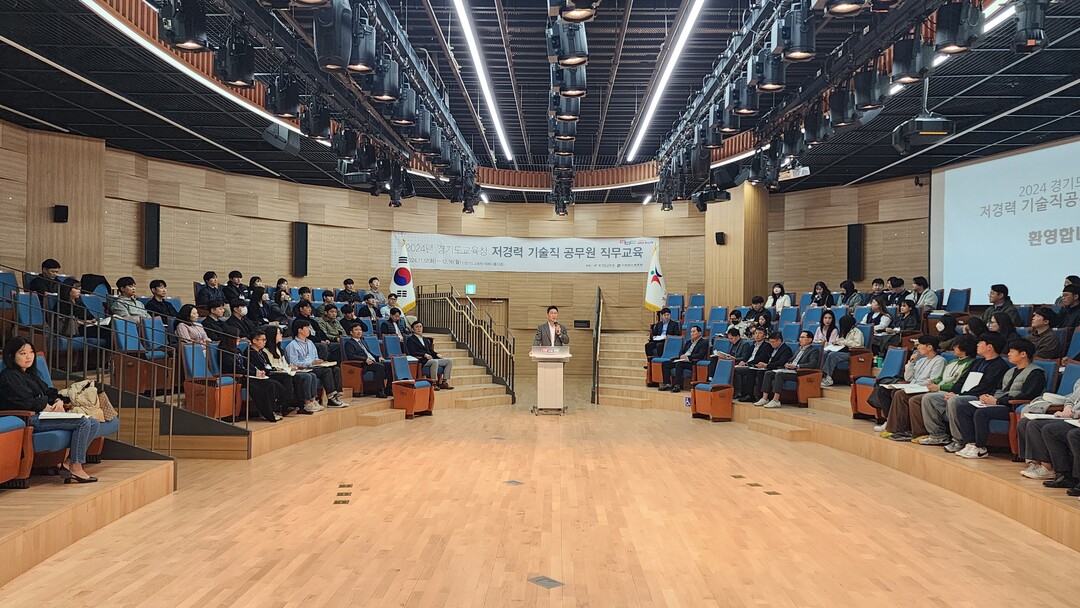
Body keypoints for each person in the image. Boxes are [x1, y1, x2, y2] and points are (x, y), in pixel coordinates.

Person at [0, 337, 99, 483]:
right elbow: (25, 401)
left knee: (94, 423)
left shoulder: (30, 374)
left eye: (31, 352)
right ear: (11, 356)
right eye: (23, 353)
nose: (28, 357)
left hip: (43, 414)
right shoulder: (8, 376)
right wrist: (47, 407)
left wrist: (58, 401)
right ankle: (76, 466)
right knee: (83, 422)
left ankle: (68, 464)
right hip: (28, 418)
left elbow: (49, 392)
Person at [951, 338, 1046, 459]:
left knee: (981, 413)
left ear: (1023, 354)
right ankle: (970, 444)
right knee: (963, 408)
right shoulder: (1011, 371)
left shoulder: (1035, 372)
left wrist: (997, 401)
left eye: (1012, 351)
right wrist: (988, 397)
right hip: (999, 402)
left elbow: (1028, 395)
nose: (1008, 354)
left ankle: (980, 448)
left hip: (1012, 406)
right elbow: (999, 388)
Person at [920, 333, 1011, 453]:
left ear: (989, 347)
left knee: (954, 400)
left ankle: (959, 440)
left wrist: (958, 395)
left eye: (980, 343)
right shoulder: (977, 362)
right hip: (963, 393)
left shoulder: (999, 366)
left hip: (979, 396)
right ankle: (938, 435)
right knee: (929, 398)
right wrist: (953, 391)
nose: (977, 345)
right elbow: (962, 380)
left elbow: (985, 387)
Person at [872, 335, 946, 437]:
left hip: (924, 388)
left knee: (899, 394)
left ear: (929, 347)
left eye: (920, 344)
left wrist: (913, 386)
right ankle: (889, 420)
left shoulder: (939, 361)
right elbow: (908, 378)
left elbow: (933, 380)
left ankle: (897, 428)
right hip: (913, 386)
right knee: (882, 390)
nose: (918, 347)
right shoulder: (921, 360)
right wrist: (911, 363)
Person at [911, 335, 978, 444]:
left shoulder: (971, 363)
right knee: (925, 397)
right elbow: (941, 378)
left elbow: (960, 383)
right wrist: (933, 382)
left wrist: (939, 387)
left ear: (965, 347)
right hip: (940, 389)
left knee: (926, 398)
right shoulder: (953, 362)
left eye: (956, 346)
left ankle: (952, 438)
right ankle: (936, 434)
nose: (953, 348)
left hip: (952, 391)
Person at [1016, 375, 1080, 481]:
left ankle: (1049, 468)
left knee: (1046, 428)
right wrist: (1067, 408)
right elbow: (1071, 398)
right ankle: (1036, 463)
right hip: (1070, 415)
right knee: (1024, 422)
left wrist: (1075, 414)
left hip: (1076, 418)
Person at [286, 321, 346, 408]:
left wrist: (319, 361)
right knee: (327, 371)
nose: (309, 330)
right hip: (303, 368)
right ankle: (331, 398)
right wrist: (311, 363)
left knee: (336, 369)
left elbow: (315, 357)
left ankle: (337, 396)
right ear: (300, 330)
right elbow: (294, 362)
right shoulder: (292, 346)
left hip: (315, 366)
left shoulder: (310, 342)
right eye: (307, 328)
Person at [755, 330, 821, 409]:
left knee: (779, 374)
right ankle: (764, 398)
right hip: (790, 370)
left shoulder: (813, 350)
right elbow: (791, 359)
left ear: (810, 340)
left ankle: (776, 400)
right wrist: (787, 364)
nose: (800, 339)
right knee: (768, 373)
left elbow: (812, 364)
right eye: (800, 337)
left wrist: (796, 366)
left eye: (803, 337)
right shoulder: (799, 349)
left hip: (800, 373)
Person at [263, 325, 318, 414]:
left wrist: (290, 366)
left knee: (309, 375)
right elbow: (271, 366)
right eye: (279, 333)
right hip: (276, 373)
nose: (281, 335)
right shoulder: (266, 350)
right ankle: (297, 403)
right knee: (303, 377)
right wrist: (286, 368)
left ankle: (303, 404)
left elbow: (284, 363)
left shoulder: (279, 349)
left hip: (286, 371)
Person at [239, 329, 292, 422]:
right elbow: (256, 367)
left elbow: (268, 365)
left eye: (265, 340)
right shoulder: (250, 353)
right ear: (254, 341)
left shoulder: (262, 352)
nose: (264, 342)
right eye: (262, 340)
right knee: (272, 384)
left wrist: (274, 369)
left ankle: (284, 404)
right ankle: (273, 409)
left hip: (267, 373)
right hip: (258, 376)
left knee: (286, 376)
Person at [741, 332, 792, 403]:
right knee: (751, 371)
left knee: (761, 373)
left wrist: (767, 365)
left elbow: (781, 362)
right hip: (767, 366)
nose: (771, 344)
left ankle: (760, 396)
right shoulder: (773, 349)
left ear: (779, 341)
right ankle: (749, 395)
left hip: (776, 368)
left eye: (773, 342)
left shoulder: (786, 349)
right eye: (770, 342)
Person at [343, 324, 390, 398]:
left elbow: (369, 353)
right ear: (351, 332)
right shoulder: (349, 343)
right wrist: (364, 359)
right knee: (380, 366)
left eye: (360, 330)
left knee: (390, 365)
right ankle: (379, 391)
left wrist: (378, 357)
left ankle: (388, 389)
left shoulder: (363, 342)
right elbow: (351, 356)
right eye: (356, 330)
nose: (359, 332)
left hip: (372, 362)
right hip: (362, 364)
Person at [55, 281, 110, 345]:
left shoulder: (79, 303)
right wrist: (84, 322)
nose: (79, 291)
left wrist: (94, 319)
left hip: (87, 326)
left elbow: (88, 314)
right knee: (108, 332)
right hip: (77, 329)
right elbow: (64, 320)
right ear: (68, 290)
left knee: (109, 328)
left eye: (79, 289)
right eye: (76, 289)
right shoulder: (62, 304)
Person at [658, 325, 707, 393]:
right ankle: (667, 384)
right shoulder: (688, 342)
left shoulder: (704, 342)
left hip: (691, 362)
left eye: (694, 332)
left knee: (679, 364)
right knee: (665, 364)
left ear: (699, 333)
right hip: (682, 360)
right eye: (691, 332)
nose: (692, 333)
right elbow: (681, 351)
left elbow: (701, 355)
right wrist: (681, 355)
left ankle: (677, 385)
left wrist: (688, 357)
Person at [820, 314, 864, 387]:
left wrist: (844, 342)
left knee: (832, 355)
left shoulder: (857, 332)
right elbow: (839, 339)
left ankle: (828, 378)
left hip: (851, 353)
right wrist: (836, 342)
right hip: (841, 350)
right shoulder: (843, 331)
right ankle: (822, 376)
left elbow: (858, 344)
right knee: (825, 353)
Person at [407, 321, 454, 389]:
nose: (419, 328)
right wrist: (424, 355)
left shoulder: (425, 339)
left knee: (449, 361)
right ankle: (434, 383)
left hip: (430, 359)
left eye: (420, 326)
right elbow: (412, 352)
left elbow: (430, 351)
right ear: (412, 329)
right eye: (417, 327)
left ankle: (443, 382)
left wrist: (437, 354)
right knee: (435, 361)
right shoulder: (411, 339)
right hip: (422, 360)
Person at [731, 327, 773, 401]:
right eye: (756, 333)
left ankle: (739, 393)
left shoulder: (767, 346)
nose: (757, 335)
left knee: (737, 370)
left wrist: (747, 363)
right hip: (748, 364)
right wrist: (743, 361)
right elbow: (746, 356)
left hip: (755, 365)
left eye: (760, 333)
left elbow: (761, 358)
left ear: (764, 336)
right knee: (733, 368)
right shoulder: (753, 345)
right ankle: (737, 392)